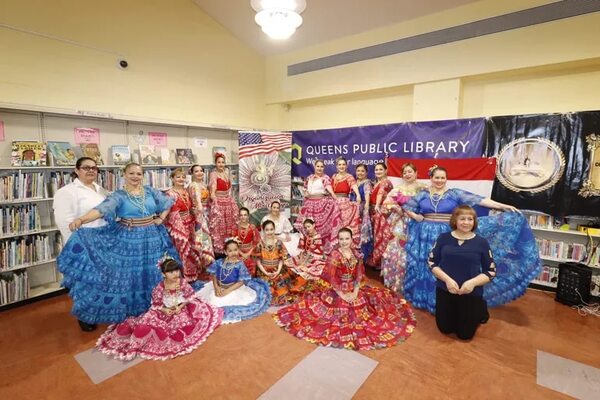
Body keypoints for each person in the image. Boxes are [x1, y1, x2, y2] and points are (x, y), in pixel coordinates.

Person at [403, 165, 541, 313]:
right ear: (431, 178)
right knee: (427, 265)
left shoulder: (454, 193)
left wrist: (503, 206)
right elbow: (406, 207)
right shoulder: (422, 194)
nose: (439, 180)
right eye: (436, 177)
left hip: (448, 233)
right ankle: (426, 299)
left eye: (443, 177)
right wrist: (417, 217)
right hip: (424, 234)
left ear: (446, 179)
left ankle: (448, 301)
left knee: (447, 266)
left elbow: (480, 200)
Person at [57, 162, 181, 325]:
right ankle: (134, 308)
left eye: (138, 173)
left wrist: (161, 218)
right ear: (124, 175)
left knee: (154, 270)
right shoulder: (119, 195)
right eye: (131, 173)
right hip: (128, 239)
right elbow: (101, 210)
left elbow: (167, 202)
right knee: (129, 275)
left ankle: (158, 304)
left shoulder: (150, 191)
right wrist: (81, 219)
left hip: (153, 238)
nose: (135, 177)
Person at [273, 228, 417, 351]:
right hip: (337, 290)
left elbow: (360, 274)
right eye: (341, 239)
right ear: (338, 240)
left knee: (363, 310)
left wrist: (354, 292)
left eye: (346, 238)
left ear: (351, 239)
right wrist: (342, 294)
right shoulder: (335, 255)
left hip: (353, 289)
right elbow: (331, 277)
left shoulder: (356, 254)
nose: (344, 241)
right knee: (338, 311)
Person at [96, 257, 223, 360]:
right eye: (170, 272)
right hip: (164, 310)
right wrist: (165, 310)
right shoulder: (159, 287)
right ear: (163, 274)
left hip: (180, 308)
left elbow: (188, 297)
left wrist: (181, 307)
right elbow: (156, 304)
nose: (175, 274)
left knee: (184, 322)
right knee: (148, 322)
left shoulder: (182, 283)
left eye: (176, 271)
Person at [53, 157, 108, 331]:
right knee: (85, 281)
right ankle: (85, 316)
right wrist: (77, 249)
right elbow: (65, 223)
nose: (91, 170)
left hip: (103, 241)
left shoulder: (101, 190)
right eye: (86, 167)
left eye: (94, 168)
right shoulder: (67, 192)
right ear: (76, 170)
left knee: (101, 280)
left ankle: (99, 310)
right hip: (82, 243)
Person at [428, 206, 495, 340]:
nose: (466, 222)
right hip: (445, 289)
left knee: (465, 335)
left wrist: (472, 283)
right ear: (455, 220)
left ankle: (480, 308)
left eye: (470, 219)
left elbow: (491, 271)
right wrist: (447, 280)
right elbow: (431, 262)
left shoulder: (481, 242)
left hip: (470, 292)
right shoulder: (443, 238)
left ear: (474, 222)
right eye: (462, 219)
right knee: (444, 329)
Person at [197, 239, 271, 323]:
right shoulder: (219, 262)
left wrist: (227, 291)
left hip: (234, 288)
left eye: (235, 250)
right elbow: (214, 275)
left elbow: (241, 281)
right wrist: (217, 288)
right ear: (225, 252)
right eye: (230, 251)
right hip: (219, 287)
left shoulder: (239, 264)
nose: (233, 253)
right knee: (212, 302)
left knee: (227, 302)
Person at [380, 162, 426, 293]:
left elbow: (429, 204)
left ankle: (413, 285)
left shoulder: (424, 188)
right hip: (401, 223)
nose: (407, 174)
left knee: (415, 251)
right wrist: (396, 208)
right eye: (405, 172)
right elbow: (386, 205)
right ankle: (396, 282)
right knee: (398, 250)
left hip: (418, 223)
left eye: (410, 171)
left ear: (416, 173)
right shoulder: (397, 189)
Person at [293, 160, 342, 252]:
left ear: (324, 168)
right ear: (314, 167)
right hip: (309, 205)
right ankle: (309, 247)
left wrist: (335, 197)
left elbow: (329, 188)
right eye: (318, 166)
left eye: (321, 166)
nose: (319, 168)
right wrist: (306, 194)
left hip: (321, 204)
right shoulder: (309, 177)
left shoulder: (325, 178)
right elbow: (305, 188)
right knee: (308, 226)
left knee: (319, 227)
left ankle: (321, 249)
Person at [164, 168, 203, 282]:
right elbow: (170, 212)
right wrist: (179, 228)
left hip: (190, 224)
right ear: (172, 178)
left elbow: (190, 208)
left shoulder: (186, 191)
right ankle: (181, 276)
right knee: (181, 250)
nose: (181, 179)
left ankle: (191, 274)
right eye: (178, 177)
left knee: (191, 249)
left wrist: (195, 214)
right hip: (178, 227)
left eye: (182, 177)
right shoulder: (170, 194)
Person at [255, 220, 293, 305]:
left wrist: (278, 271)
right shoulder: (260, 244)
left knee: (283, 293)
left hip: (278, 269)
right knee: (265, 294)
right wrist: (265, 272)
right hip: (263, 271)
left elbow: (281, 259)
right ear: (263, 230)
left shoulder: (279, 242)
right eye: (267, 230)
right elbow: (258, 260)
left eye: (271, 229)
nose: (269, 232)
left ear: (274, 230)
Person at [208, 153, 239, 256]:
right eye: (219, 162)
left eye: (222, 162)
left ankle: (229, 250)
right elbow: (212, 191)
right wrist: (215, 204)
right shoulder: (213, 174)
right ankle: (220, 251)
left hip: (228, 202)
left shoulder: (226, 173)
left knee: (229, 226)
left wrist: (230, 200)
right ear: (215, 163)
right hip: (219, 203)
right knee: (219, 227)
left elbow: (229, 189)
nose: (221, 164)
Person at [286, 218, 326, 292]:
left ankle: (301, 283)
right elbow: (303, 249)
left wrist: (303, 263)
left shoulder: (317, 237)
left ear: (313, 225)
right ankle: (295, 280)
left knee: (310, 269)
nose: (307, 229)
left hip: (314, 257)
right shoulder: (307, 235)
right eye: (306, 227)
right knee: (289, 262)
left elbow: (312, 253)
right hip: (306, 255)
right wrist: (301, 260)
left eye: (309, 226)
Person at [366, 162, 394, 268]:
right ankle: (376, 261)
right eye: (376, 170)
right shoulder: (375, 183)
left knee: (382, 237)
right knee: (375, 237)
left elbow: (380, 193)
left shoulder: (385, 182)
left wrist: (377, 205)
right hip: (373, 212)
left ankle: (382, 263)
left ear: (386, 170)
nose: (378, 171)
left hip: (381, 213)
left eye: (380, 169)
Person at [188, 164, 215, 269]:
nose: (199, 173)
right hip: (199, 216)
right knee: (203, 240)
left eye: (201, 171)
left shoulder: (203, 184)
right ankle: (203, 266)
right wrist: (201, 216)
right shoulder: (193, 185)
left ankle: (207, 265)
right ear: (192, 173)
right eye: (196, 171)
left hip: (206, 213)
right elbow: (198, 203)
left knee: (206, 240)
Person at [331, 157, 362, 246]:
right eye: (339, 164)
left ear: (346, 166)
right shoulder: (334, 176)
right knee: (335, 226)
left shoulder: (349, 176)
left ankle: (347, 247)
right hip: (334, 203)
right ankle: (336, 248)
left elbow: (353, 185)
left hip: (344, 204)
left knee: (343, 226)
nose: (342, 166)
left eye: (343, 164)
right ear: (336, 166)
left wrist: (358, 194)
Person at [350, 163, 373, 260]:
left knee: (361, 232)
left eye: (362, 171)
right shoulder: (354, 182)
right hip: (352, 210)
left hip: (362, 209)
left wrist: (366, 207)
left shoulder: (367, 182)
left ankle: (362, 257)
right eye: (358, 171)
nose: (360, 173)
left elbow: (367, 194)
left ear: (366, 172)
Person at [233, 207, 261, 276]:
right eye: (241, 215)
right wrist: (242, 254)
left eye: (245, 215)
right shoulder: (235, 228)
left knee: (252, 269)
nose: (243, 217)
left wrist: (248, 254)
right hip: (237, 252)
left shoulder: (252, 228)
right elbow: (232, 244)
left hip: (251, 252)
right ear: (239, 216)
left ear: (248, 216)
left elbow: (256, 243)